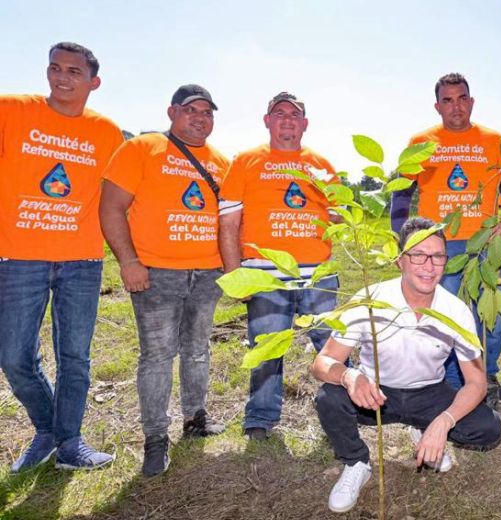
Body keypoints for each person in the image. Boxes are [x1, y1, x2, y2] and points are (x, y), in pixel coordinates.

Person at [311, 217, 501, 514]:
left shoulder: (456, 311)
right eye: (418, 255)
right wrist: (350, 376)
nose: (429, 266)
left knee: (487, 428)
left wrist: (444, 421)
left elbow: (476, 382)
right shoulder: (371, 299)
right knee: (328, 398)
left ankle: (424, 427)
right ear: (400, 260)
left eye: (438, 256)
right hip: (376, 394)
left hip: (429, 392)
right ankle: (356, 463)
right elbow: (322, 362)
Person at [0, 42, 124, 472]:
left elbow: (120, 196)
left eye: (73, 71)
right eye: (55, 68)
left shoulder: (107, 132)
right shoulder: (10, 110)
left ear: (93, 82)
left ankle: (69, 441)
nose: (61, 77)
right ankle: (47, 428)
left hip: (82, 263)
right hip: (18, 257)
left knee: (75, 357)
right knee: (14, 356)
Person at [100, 84, 231, 477]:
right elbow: (110, 208)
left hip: (208, 274)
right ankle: (156, 438)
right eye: (192, 110)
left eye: (208, 112)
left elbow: (231, 220)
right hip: (156, 274)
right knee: (157, 356)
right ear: (172, 112)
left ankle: (196, 420)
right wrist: (129, 262)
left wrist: (231, 268)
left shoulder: (222, 162)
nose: (200, 118)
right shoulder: (141, 148)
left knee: (197, 350)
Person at [389, 73, 501, 405]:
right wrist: (404, 240)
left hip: (485, 245)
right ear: (437, 106)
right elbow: (402, 194)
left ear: (472, 102)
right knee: (443, 315)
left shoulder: (494, 141)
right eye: (447, 100)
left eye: (462, 98)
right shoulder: (421, 141)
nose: (456, 106)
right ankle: (448, 381)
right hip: (438, 248)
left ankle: (487, 378)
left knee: (489, 314)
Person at [219, 92, 339, 441]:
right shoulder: (245, 161)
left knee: (332, 346)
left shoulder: (321, 164)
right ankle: (261, 416)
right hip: (265, 276)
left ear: (304, 124)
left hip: (317, 275)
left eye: (294, 114)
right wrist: (234, 275)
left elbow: (336, 215)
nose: (287, 119)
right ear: (267, 120)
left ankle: (346, 408)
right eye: (279, 113)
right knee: (266, 348)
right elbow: (228, 223)